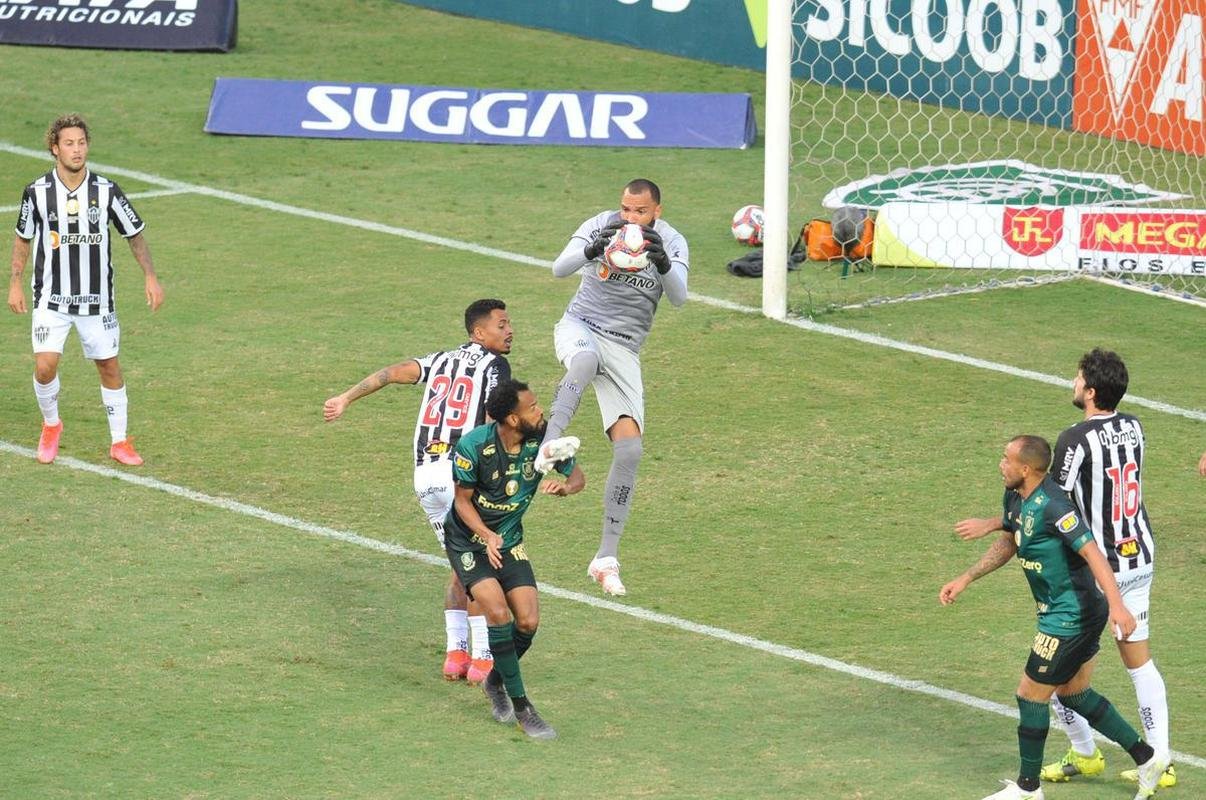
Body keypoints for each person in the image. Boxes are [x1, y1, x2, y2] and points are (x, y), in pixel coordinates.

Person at [955, 350, 1174, 789]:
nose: (1072, 384)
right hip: (1139, 553)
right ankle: (1158, 760)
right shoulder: (1134, 425)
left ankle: (1081, 754)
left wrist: (999, 521)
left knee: (1055, 672)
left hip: (1098, 564)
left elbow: (1052, 500)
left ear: (1090, 392)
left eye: (1077, 379)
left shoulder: (1074, 438)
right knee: (1137, 666)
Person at [323, 299, 513, 684]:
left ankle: (455, 655)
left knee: (460, 566)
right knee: (481, 568)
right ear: (479, 332)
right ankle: (481, 660)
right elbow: (494, 420)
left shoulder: (440, 361)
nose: (509, 331)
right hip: (461, 476)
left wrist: (345, 397)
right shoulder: (496, 366)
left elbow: (392, 372)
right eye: (501, 325)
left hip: (426, 477)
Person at [536, 178, 689, 596]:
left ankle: (605, 558)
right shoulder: (603, 225)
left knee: (631, 450)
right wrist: (589, 249)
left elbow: (679, 298)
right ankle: (547, 445)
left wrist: (663, 264)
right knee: (584, 360)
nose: (630, 217)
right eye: (626, 209)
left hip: (624, 348)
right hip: (581, 325)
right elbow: (558, 268)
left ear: (656, 210)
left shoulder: (673, 241)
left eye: (640, 211)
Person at [9, 113, 164, 466]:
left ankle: (120, 441)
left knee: (109, 366)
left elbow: (134, 234)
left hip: (98, 301)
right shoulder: (37, 192)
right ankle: (51, 426)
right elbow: (23, 238)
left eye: (81, 143)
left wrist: (150, 276)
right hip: (52, 299)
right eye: (69, 143)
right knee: (45, 366)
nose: (77, 150)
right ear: (54, 148)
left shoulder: (107, 191)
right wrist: (15, 282)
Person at [443, 379, 584, 739]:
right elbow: (461, 502)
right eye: (533, 408)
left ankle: (495, 680)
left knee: (528, 621)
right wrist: (486, 535)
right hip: (468, 542)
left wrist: (567, 486)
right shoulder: (473, 446)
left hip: (509, 540)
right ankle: (523, 708)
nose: (541, 412)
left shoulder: (543, 442)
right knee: (498, 613)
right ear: (512, 419)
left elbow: (579, 476)